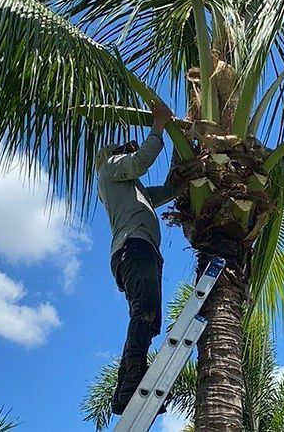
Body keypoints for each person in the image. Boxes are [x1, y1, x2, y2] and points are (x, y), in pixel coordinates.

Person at [96, 101, 182, 416]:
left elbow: (173, 188)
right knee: (143, 313)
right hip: (133, 248)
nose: (125, 154)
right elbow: (142, 161)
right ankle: (130, 382)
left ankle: (128, 387)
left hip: (139, 251)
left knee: (147, 316)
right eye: (122, 152)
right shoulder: (110, 168)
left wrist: (183, 145)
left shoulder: (134, 190)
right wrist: (159, 126)